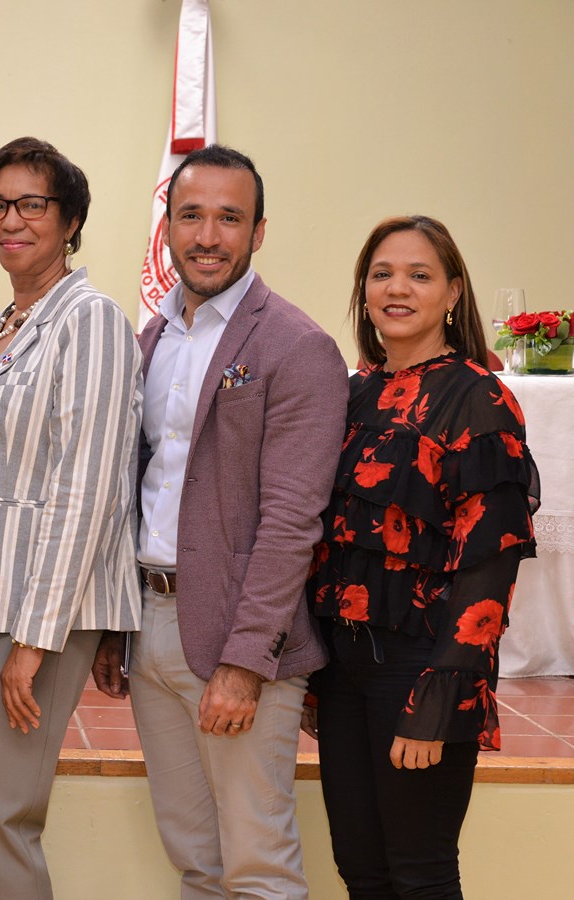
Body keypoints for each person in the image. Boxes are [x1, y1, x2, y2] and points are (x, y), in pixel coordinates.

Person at [92, 144, 347, 898]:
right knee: (195, 858)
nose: (207, 236)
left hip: (236, 634)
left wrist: (245, 661)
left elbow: (291, 521)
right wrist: (114, 624)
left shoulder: (296, 345)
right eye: (191, 216)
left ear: (258, 231)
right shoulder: (151, 338)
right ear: (166, 228)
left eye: (229, 218)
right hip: (148, 621)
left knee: (257, 864)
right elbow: (139, 488)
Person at [304, 216, 538, 898]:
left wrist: (440, 694)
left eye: (418, 275)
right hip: (343, 667)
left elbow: (489, 562)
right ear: (363, 291)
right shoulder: (353, 393)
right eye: (381, 274)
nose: (396, 288)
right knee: (360, 868)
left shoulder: (477, 397)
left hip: (420, 666)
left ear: (452, 292)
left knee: (420, 874)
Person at [0, 137, 142, 899]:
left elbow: (85, 487)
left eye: (31, 204)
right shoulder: (2, 326)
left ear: (70, 220)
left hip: (34, 611)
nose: (10, 220)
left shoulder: (89, 321)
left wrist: (34, 638)